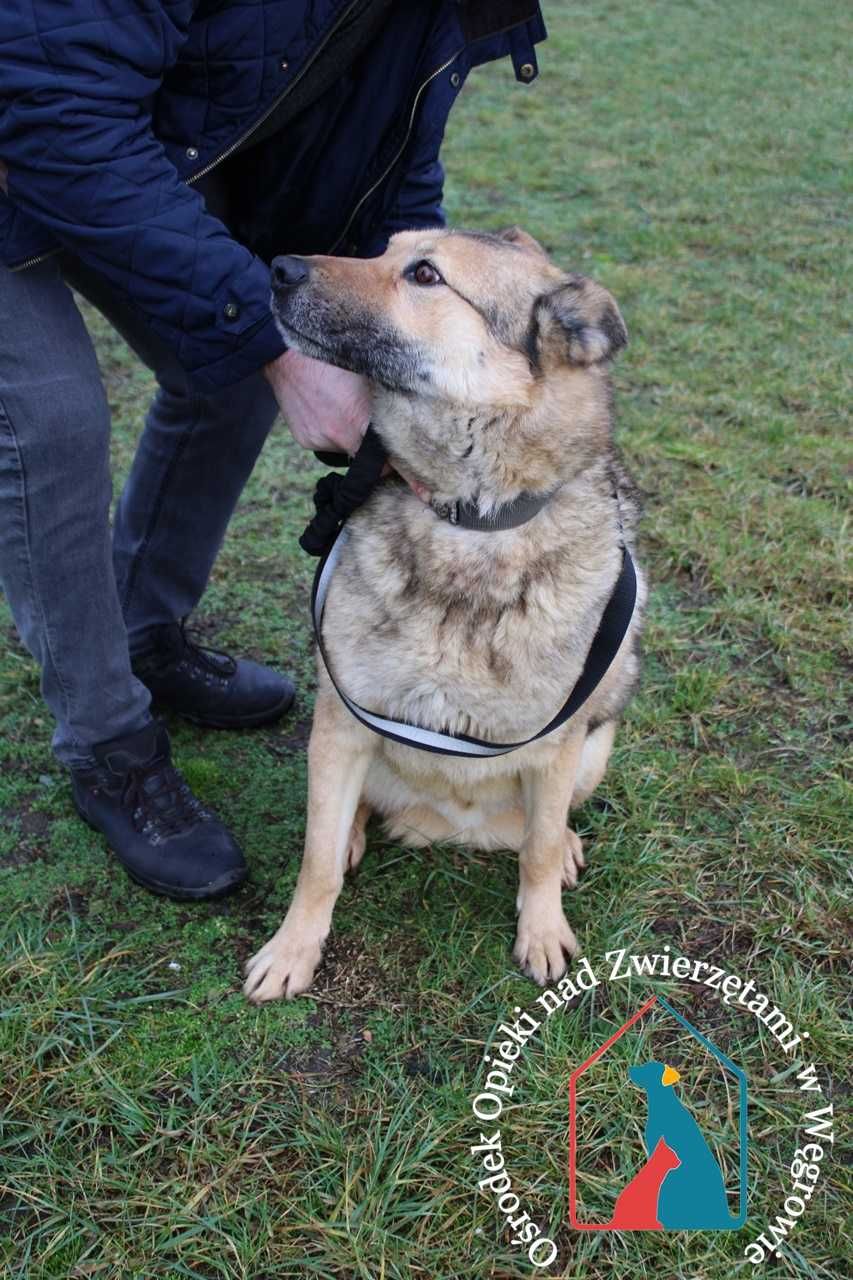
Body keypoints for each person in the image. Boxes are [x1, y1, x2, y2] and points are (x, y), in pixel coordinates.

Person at [0, 1, 546, 900]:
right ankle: (107, 744)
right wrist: (275, 345)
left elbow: (390, 176)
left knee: (227, 362)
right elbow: (49, 98)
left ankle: (143, 631)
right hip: (34, 112)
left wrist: (378, 345)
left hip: (116, 134)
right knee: (51, 418)